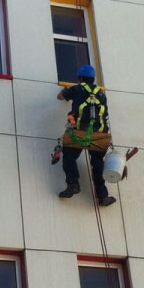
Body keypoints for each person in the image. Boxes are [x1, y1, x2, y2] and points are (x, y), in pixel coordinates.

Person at [56, 64, 116, 206]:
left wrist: (66, 90)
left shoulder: (77, 88)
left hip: (80, 133)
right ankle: (102, 197)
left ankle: (73, 184)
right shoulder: (101, 93)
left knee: (69, 156)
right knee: (98, 164)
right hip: (100, 135)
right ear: (93, 79)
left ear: (80, 78)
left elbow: (59, 97)